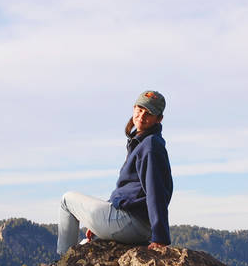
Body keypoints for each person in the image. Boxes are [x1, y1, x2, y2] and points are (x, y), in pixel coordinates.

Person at [57, 90, 173, 255]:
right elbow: (130, 191)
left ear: (159, 119)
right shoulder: (143, 142)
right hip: (133, 223)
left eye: (149, 113)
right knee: (86, 244)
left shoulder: (150, 145)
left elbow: (156, 192)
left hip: (131, 222)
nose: (142, 116)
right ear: (134, 108)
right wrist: (100, 220)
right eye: (140, 110)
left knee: (66, 200)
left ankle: (61, 262)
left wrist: (160, 238)